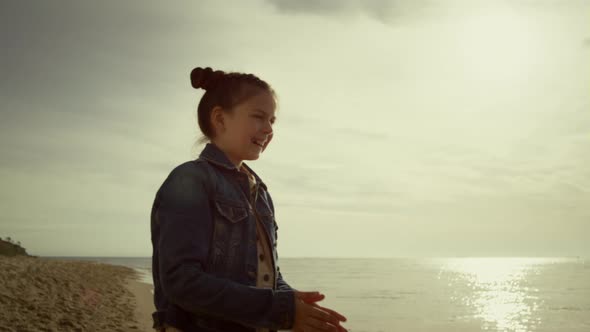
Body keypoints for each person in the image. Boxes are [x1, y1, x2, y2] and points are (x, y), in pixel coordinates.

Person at [150, 67, 348, 332]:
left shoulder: (260, 192)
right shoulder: (191, 180)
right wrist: (283, 310)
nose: (268, 129)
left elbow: (265, 275)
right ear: (220, 119)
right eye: (258, 117)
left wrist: (296, 304)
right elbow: (181, 282)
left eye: (272, 121)